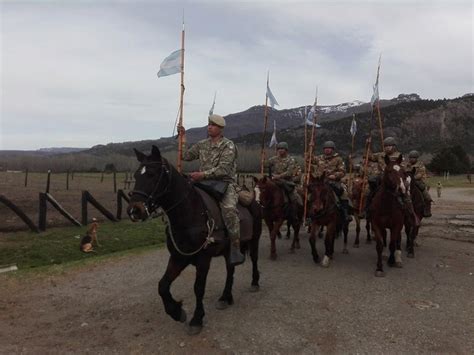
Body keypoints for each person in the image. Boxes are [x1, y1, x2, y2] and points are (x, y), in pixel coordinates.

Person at [178, 114, 245, 266]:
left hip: (224, 183)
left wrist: (201, 174)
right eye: (209, 124)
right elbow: (186, 156)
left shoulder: (228, 146)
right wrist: (183, 138)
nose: (209, 127)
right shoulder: (202, 144)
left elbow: (223, 169)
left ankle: (235, 247)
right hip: (203, 183)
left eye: (213, 125)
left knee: (229, 210)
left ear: (220, 129)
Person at [311, 140, 352, 222]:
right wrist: (311, 148)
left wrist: (335, 175)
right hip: (320, 183)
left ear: (333, 149)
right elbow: (309, 159)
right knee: (310, 195)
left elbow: (343, 171)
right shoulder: (319, 158)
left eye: (329, 148)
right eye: (325, 148)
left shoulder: (338, 159)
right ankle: (309, 215)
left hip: (333, 182)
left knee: (343, 194)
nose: (327, 150)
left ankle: (345, 213)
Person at [265, 142, 303, 207]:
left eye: (282, 148)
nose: (280, 150)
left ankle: (296, 210)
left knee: (294, 196)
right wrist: (263, 159)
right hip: (275, 180)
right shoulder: (274, 159)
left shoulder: (291, 160)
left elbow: (289, 172)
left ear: (286, 150)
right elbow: (266, 164)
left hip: (287, 181)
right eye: (279, 149)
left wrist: (278, 176)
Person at [406, 150, 433, 217]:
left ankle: (427, 209)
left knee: (425, 194)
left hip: (418, 181)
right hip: (408, 181)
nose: (411, 159)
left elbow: (420, 175)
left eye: (413, 158)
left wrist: (412, 178)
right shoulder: (407, 165)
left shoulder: (420, 165)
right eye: (410, 158)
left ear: (416, 158)